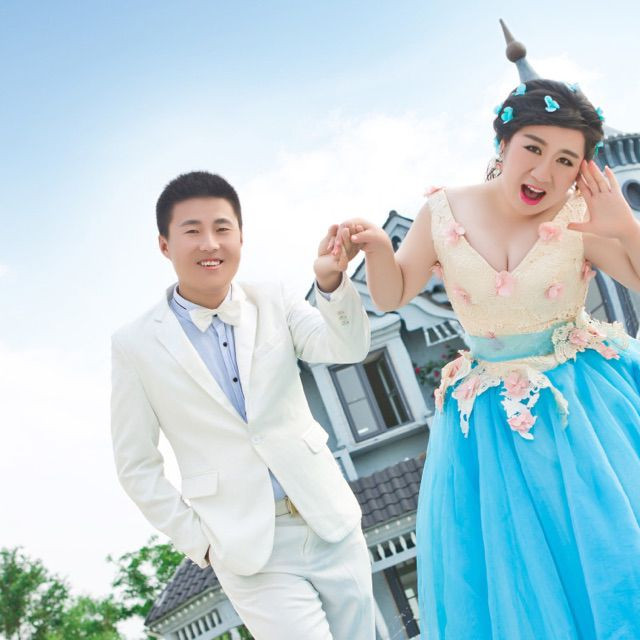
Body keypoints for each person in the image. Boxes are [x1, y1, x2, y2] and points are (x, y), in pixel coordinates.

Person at [335, 79, 640, 639]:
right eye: (533, 148)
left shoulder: (580, 214)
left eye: (565, 160)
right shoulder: (444, 211)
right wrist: (378, 248)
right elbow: (393, 293)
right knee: (518, 567)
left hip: (586, 404)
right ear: (503, 142)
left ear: (581, 170)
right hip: (491, 429)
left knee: (610, 543)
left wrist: (622, 225)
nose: (544, 172)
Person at [110, 171, 376, 639]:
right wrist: (202, 542)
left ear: (240, 236)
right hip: (247, 549)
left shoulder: (273, 298)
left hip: (328, 517)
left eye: (222, 228)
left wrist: (330, 281)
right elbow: (136, 465)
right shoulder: (135, 344)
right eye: (192, 230)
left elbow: (347, 347)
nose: (210, 243)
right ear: (165, 245)